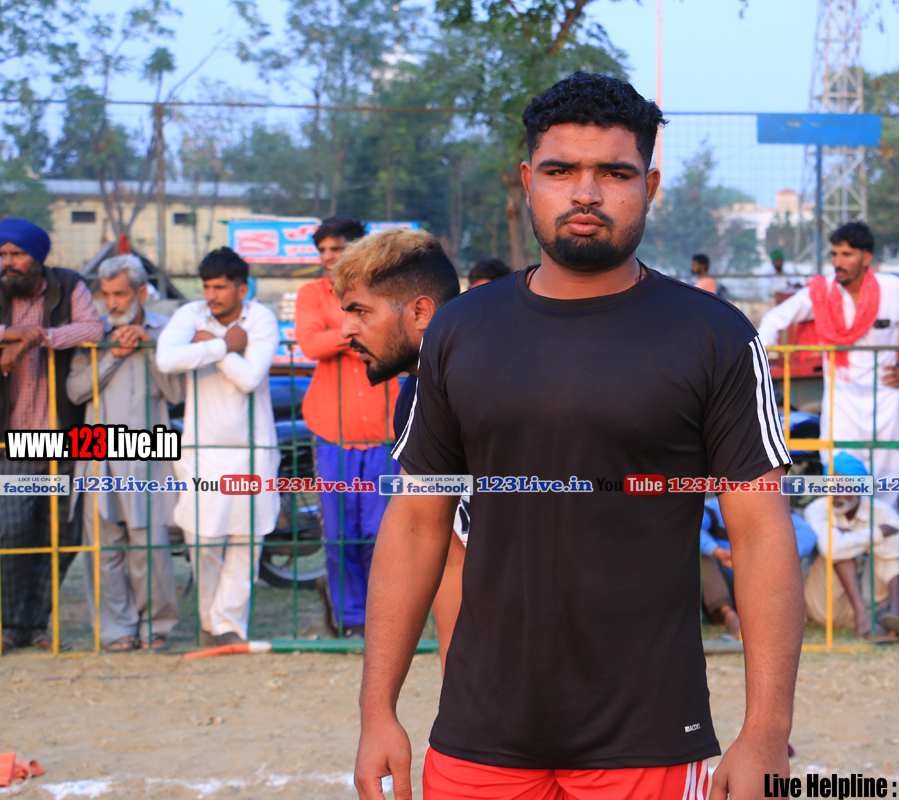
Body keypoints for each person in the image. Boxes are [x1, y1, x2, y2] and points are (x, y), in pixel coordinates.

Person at [353, 71, 802, 800]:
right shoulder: (461, 330)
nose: (586, 193)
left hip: (651, 733)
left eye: (615, 173)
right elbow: (416, 525)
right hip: (479, 731)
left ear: (649, 186)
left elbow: (759, 534)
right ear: (529, 179)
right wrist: (378, 710)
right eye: (561, 170)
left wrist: (766, 730)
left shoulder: (714, 335)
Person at [332, 228, 462, 666]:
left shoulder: (473, 385)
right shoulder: (418, 391)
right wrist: (455, 684)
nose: (346, 330)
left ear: (421, 311)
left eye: (360, 311)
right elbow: (453, 555)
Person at [0, 218, 104, 657]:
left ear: (38, 257)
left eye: (17, 254)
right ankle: (12, 626)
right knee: (14, 530)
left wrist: (38, 339)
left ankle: (40, 624)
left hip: (64, 436)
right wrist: (8, 334)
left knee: (61, 533)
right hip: (15, 437)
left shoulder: (68, 285)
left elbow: (93, 328)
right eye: (3, 254)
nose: (8, 262)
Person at [156, 247, 280, 646]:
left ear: (242, 289)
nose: (211, 295)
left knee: (247, 540)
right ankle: (211, 623)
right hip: (201, 451)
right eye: (207, 287)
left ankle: (229, 626)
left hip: (254, 449)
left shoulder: (260, 317)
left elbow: (250, 378)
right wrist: (224, 345)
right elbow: (165, 359)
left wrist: (212, 347)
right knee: (202, 539)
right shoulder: (191, 314)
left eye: (220, 287)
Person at [757, 221, 899, 504]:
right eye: (835, 254)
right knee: (841, 486)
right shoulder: (822, 292)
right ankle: (845, 533)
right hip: (841, 404)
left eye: (847, 254)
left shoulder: (894, 289)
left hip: (886, 404)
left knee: (886, 485)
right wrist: (759, 367)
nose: (838, 262)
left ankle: (883, 530)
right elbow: (774, 320)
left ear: (866, 258)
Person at [66, 255, 184, 651]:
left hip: (147, 456)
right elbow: (75, 391)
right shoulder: (92, 334)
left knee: (150, 546)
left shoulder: (165, 331)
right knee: (104, 548)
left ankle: (156, 628)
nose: (113, 303)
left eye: (121, 294)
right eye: (107, 294)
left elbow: (176, 392)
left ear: (141, 293)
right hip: (96, 455)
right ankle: (116, 632)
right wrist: (111, 356)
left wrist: (147, 348)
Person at [297, 216, 400, 639]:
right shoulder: (311, 294)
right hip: (332, 432)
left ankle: (384, 618)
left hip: (384, 430)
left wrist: (338, 333)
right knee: (340, 536)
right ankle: (352, 620)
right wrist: (359, 327)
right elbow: (310, 344)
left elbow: (394, 339)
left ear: (358, 250)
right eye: (322, 250)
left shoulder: (388, 290)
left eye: (336, 248)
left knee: (381, 534)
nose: (327, 257)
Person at [801, 453, 899, 643]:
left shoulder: (878, 509)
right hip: (826, 606)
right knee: (840, 552)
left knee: (891, 555)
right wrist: (877, 534)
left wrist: (857, 540)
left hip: (870, 601)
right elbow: (833, 550)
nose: (836, 494)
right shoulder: (816, 509)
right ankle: (861, 618)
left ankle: (895, 617)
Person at [701, 493, 817, 640]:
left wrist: (773, 555)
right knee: (704, 556)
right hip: (725, 582)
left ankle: (766, 617)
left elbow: (807, 534)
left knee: (782, 561)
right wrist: (718, 552)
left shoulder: (775, 506)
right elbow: (691, 529)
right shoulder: (713, 507)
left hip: (761, 581)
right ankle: (728, 614)